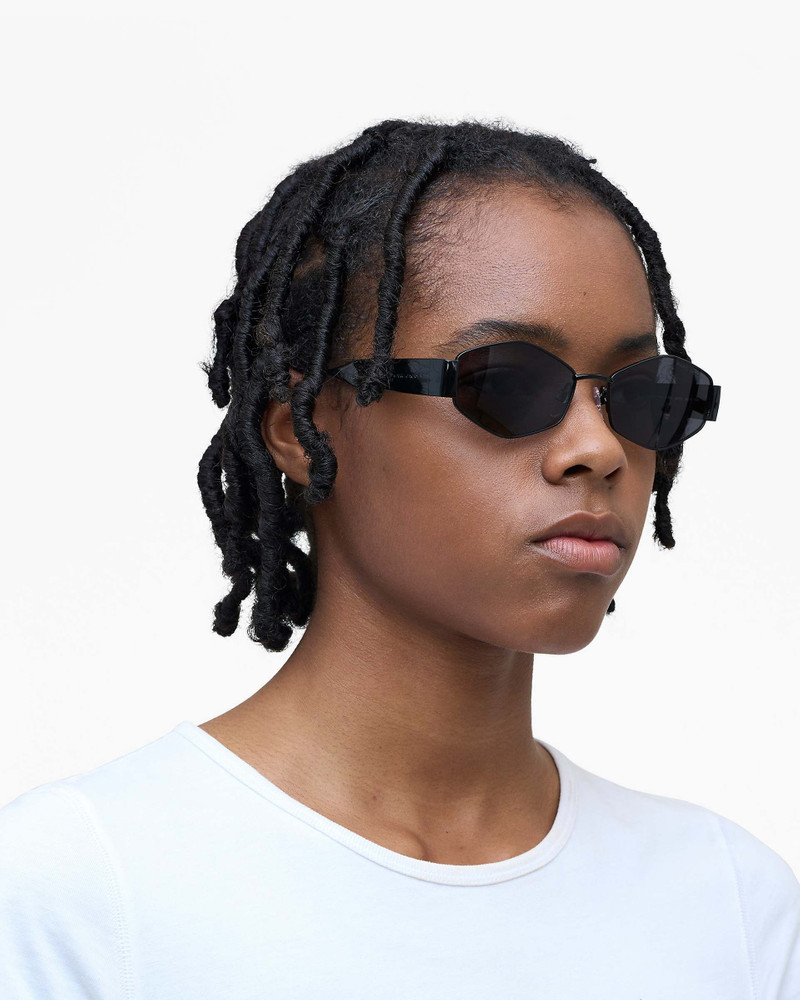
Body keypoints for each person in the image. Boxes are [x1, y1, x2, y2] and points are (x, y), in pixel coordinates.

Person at [0, 118, 795, 998]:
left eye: (641, 394)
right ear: (300, 429)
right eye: (505, 382)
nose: (598, 449)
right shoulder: (81, 894)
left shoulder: (731, 909)